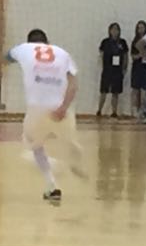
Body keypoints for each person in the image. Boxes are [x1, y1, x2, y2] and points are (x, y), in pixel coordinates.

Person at [5, 29, 86, 202]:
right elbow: (73, 85)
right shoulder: (62, 53)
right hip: (61, 108)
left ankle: (52, 184)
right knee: (70, 141)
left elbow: (7, 57)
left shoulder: (24, 48)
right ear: (47, 43)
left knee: (33, 146)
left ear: (29, 42)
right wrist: (63, 107)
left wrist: (5, 63)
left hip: (37, 109)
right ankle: (75, 159)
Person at [96, 22, 130, 118]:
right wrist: (102, 65)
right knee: (104, 90)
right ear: (110, 31)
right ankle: (99, 110)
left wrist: (124, 68)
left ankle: (114, 111)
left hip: (117, 70)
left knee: (115, 91)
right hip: (107, 69)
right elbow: (101, 54)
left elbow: (125, 56)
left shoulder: (122, 42)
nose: (115, 31)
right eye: (113, 29)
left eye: (116, 29)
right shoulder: (105, 42)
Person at [128, 20, 146, 120]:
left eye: (142, 27)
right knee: (135, 89)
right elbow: (133, 56)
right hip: (137, 67)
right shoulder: (135, 41)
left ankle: (143, 110)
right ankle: (134, 110)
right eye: (139, 28)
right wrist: (140, 55)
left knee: (145, 91)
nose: (140, 30)